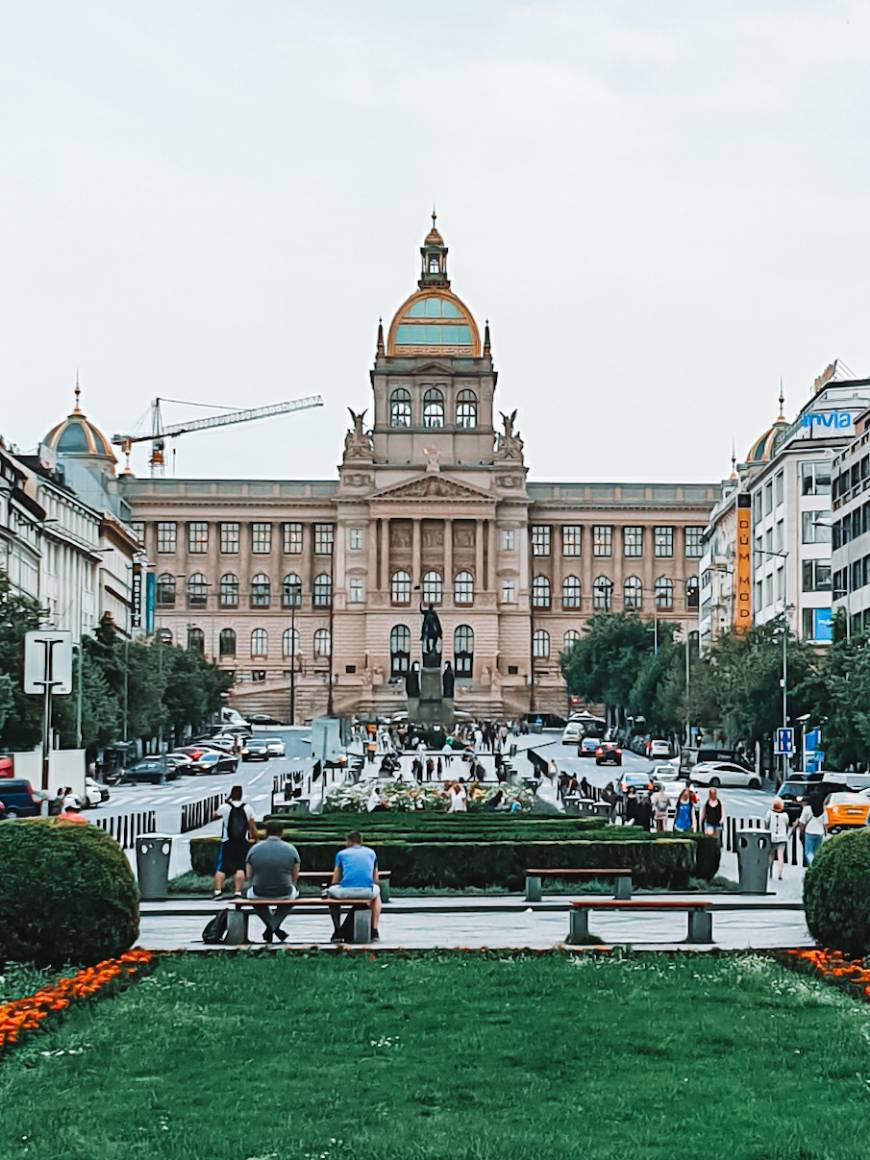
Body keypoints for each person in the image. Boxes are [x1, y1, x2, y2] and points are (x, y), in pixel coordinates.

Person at [245, 820, 300, 943]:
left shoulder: (254, 849)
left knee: (251, 894)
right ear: (282, 832)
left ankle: (270, 926)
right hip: (284, 891)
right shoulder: (291, 849)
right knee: (294, 893)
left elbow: (249, 875)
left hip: (259, 891)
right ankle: (274, 926)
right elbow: (295, 876)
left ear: (265, 832)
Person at [326, 831, 381, 942]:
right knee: (377, 894)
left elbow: (335, 880)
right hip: (367, 891)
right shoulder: (371, 853)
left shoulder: (341, 854)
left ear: (349, 841)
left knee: (330, 893)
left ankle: (337, 930)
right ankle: (374, 930)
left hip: (346, 891)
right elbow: (376, 880)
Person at [213, 786, 257, 899]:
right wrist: (255, 838)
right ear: (241, 794)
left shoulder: (225, 807)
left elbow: (215, 815)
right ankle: (237, 892)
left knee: (222, 867)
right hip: (243, 841)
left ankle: (217, 891)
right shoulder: (247, 808)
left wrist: (225, 803)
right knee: (240, 867)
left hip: (227, 841)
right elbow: (252, 825)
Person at [797, 790, 826, 866]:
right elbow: (826, 823)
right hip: (820, 833)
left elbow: (802, 822)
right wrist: (825, 832)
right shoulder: (823, 810)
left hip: (809, 832)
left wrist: (801, 831)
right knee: (817, 852)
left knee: (808, 852)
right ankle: (816, 865)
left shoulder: (807, 809)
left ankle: (813, 865)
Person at [765, 797, 790, 880]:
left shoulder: (769, 813)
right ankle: (780, 873)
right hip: (782, 838)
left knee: (770, 855)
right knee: (780, 856)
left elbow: (766, 823)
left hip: (771, 837)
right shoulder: (785, 815)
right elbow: (786, 826)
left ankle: (770, 873)